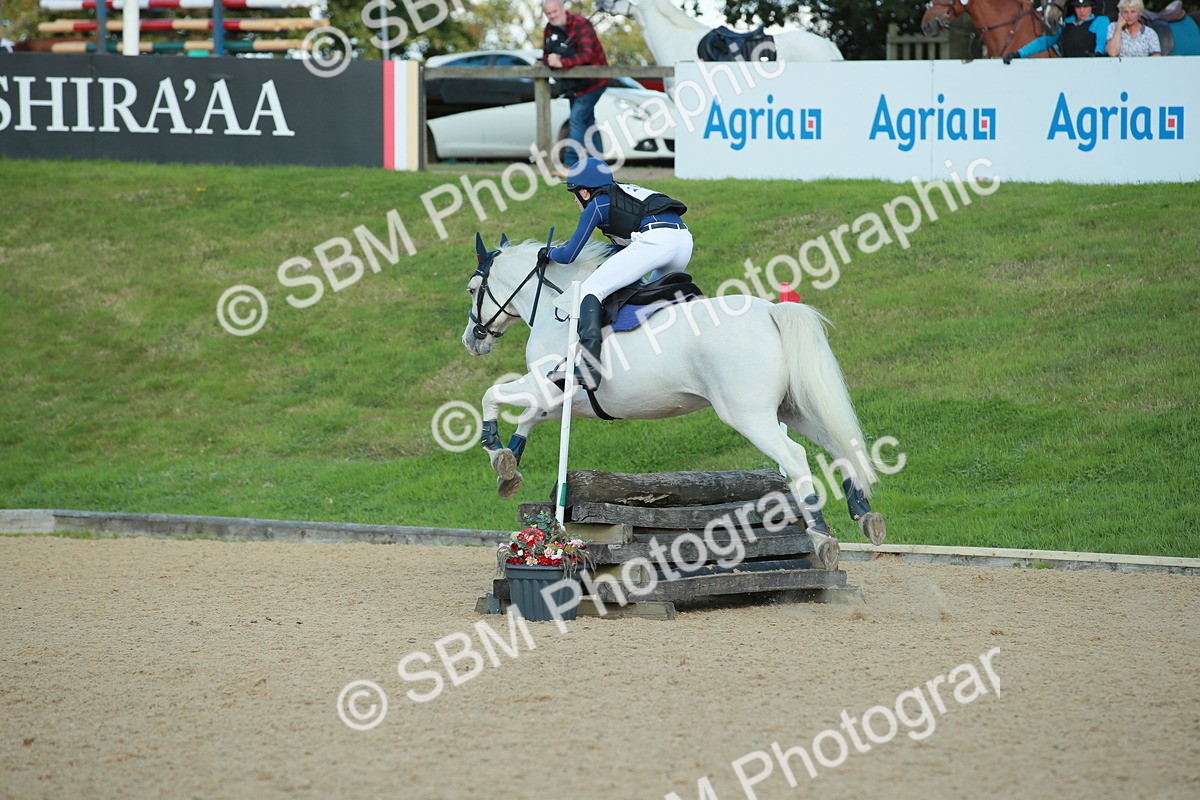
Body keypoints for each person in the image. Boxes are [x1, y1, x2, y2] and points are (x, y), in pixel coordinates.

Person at [540, 157, 692, 390]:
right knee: (647, 298)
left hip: (656, 241)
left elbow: (568, 255)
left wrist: (548, 252)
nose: (575, 201)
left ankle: (589, 367)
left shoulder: (597, 204)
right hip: (683, 240)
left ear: (585, 192)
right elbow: (623, 249)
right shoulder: (622, 193)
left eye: (574, 194)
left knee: (589, 290)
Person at [542, 0, 609, 169]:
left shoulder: (581, 24)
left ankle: (570, 164)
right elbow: (546, 55)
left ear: (563, 9)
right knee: (587, 121)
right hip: (574, 86)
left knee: (577, 118)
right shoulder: (549, 29)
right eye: (548, 14)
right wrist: (551, 61)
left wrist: (562, 62)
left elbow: (587, 55)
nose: (552, 16)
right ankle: (600, 166)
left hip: (595, 81)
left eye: (554, 12)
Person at [1003, 0, 1110, 61]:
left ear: (1092, 7)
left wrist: (1098, 54)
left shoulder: (1100, 21)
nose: (1082, 11)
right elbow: (1044, 42)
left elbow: (1101, 41)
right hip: (1069, 71)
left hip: (1093, 69)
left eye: (1085, 7)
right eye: (1078, 7)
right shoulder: (1066, 23)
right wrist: (1019, 53)